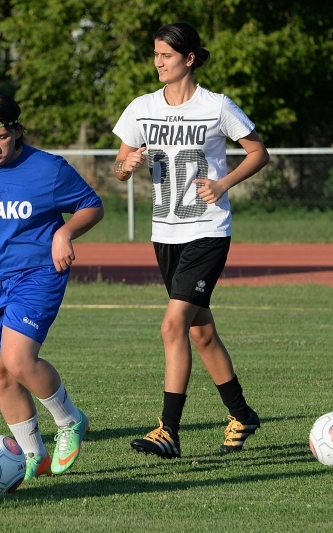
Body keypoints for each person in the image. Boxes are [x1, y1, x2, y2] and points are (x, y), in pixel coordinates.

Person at [112, 22, 270, 458]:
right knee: (200, 334)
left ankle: (169, 430)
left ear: (189, 59)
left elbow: (259, 152)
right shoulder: (142, 107)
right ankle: (242, 414)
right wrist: (128, 164)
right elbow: (118, 167)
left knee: (171, 325)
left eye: (166, 54)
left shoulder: (217, 105)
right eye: (156, 54)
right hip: (165, 233)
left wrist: (223, 184)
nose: (158, 61)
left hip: (208, 231)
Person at [0, 93, 104, 479]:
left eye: (1, 137)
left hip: (37, 274)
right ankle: (34, 456)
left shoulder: (47, 168)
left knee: (18, 360)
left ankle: (70, 420)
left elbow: (92, 205)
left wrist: (65, 231)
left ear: (16, 131)